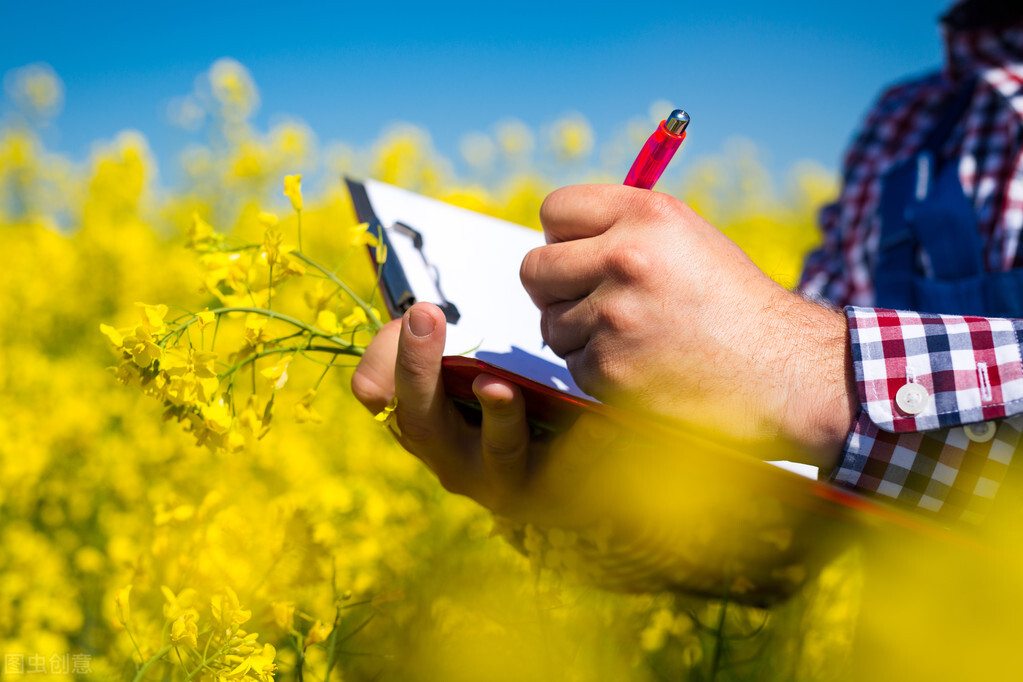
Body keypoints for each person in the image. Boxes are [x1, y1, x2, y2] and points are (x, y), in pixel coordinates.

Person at [352, 0, 1023, 549]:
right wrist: (600, 502)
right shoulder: (905, 123)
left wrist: (807, 370)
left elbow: (792, 377)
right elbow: (805, 527)